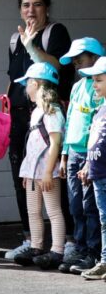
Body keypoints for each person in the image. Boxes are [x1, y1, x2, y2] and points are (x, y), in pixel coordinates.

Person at [5, 0, 73, 260]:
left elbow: (57, 67)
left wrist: (32, 46)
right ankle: (31, 239)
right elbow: (13, 79)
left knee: (54, 179)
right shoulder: (14, 39)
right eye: (25, 5)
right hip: (20, 116)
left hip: (47, 114)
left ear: (47, 8)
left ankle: (66, 242)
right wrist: (6, 113)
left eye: (37, 4)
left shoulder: (55, 32)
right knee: (22, 179)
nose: (30, 10)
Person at [57, 37, 104, 274]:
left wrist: (88, 161)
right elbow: (69, 122)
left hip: (89, 154)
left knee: (90, 206)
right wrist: (64, 155)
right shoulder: (77, 86)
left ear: (95, 57)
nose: (76, 62)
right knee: (75, 205)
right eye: (73, 59)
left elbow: (97, 127)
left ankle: (93, 253)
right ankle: (80, 248)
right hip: (73, 152)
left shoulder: (100, 88)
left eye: (80, 58)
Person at [13, 62, 66, 270]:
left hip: (47, 172)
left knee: (53, 210)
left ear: (34, 84)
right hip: (33, 172)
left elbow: (55, 143)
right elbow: (33, 145)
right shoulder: (36, 111)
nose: (25, 89)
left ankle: (57, 250)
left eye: (27, 84)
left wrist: (48, 172)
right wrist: (28, 172)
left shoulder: (51, 111)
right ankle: (36, 246)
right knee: (33, 211)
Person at [79, 56, 106, 280]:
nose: (94, 85)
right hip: (98, 175)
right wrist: (88, 164)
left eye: (98, 80)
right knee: (104, 221)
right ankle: (105, 262)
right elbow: (94, 140)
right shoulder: (100, 109)